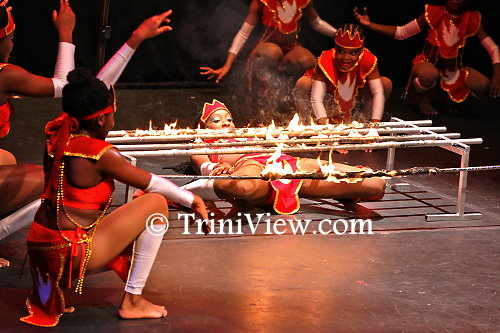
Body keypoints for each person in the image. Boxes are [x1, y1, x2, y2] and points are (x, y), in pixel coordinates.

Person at [20, 11, 209, 327]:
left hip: (43, 251)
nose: (114, 116)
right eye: (113, 112)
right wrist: (195, 201)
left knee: (140, 201)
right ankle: (133, 300)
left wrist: (134, 39)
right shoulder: (99, 152)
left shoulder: (60, 129)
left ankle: (53, 292)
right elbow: (152, 182)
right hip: (69, 254)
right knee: (156, 203)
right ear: (101, 119)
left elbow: (85, 90)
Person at [183, 99, 386, 215]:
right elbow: (201, 165)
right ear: (202, 127)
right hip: (250, 168)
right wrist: (217, 170)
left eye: (229, 119)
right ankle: (181, 193)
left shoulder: (246, 136)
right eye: (217, 120)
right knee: (241, 186)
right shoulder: (200, 143)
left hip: (288, 164)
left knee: (376, 183)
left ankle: (337, 189)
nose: (226, 123)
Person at [0, 0, 75, 267]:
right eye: (11, 37)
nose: (12, 44)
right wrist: (66, 33)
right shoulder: (5, 75)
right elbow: (64, 85)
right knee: (57, 181)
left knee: (6, 158)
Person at [199, 0, 338, 122]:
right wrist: (227, 64)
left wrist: (339, 35)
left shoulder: (303, 1)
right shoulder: (261, 2)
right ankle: (262, 110)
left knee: (308, 60)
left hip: (291, 49)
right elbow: (243, 33)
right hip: (267, 48)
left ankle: (303, 112)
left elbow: (317, 23)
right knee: (271, 52)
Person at [354, 0, 500, 115]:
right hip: (428, 63)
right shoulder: (433, 12)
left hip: (453, 69)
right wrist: (370, 25)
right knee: (429, 74)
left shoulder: (471, 18)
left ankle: (446, 99)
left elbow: (493, 47)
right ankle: (424, 99)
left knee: (484, 86)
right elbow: (402, 32)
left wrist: (497, 74)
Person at [294, 23, 392, 125]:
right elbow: (316, 98)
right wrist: (325, 127)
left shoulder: (368, 59)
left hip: (354, 101)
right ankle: (306, 125)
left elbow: (378, 93)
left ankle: (362, 123)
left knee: (385, 84)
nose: (346, 57)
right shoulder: (326, 59)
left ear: (361, 51)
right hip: (327, 103)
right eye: (341, 51)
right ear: (335, 48)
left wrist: (375, 123)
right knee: (304, 83)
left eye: (353, 53)